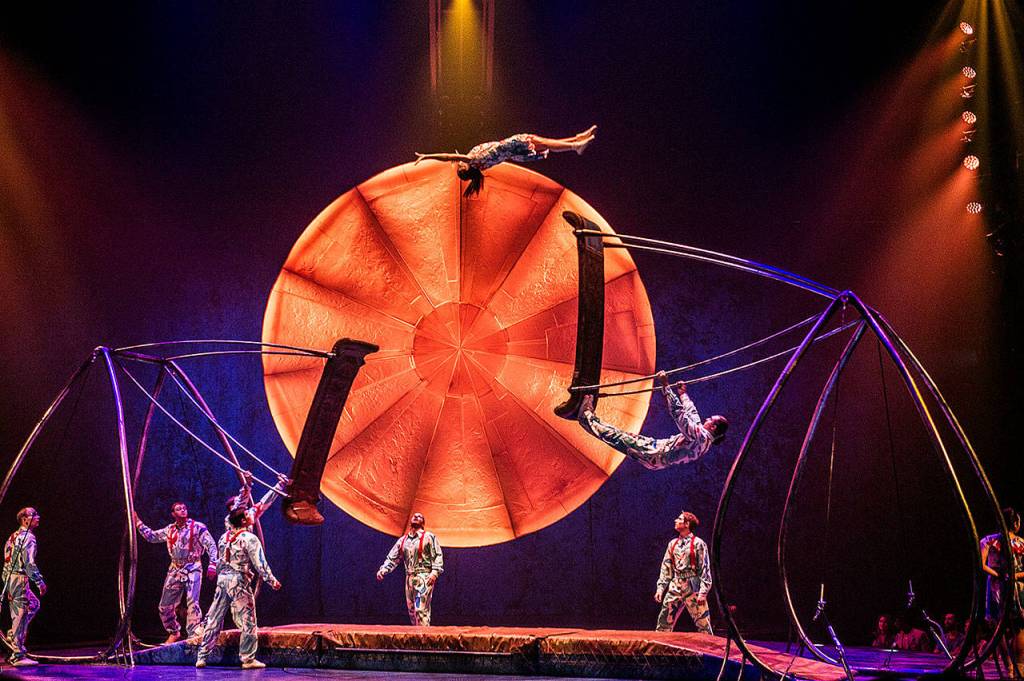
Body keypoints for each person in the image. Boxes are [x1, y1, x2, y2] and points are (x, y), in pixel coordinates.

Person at [578, 372, 729, 470]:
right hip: (656, 451)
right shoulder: (704, 441)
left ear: (713, 427)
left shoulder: (701, 437)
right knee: (620, 436)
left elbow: (679, 415)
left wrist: (666, 386)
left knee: (617, 437)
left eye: (710, 420)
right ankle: (589, 418)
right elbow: (692, 414)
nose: (706, 419)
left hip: (654, 453)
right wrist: (683, 394)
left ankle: (585, 417)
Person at [196, 508, 282, 669]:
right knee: (248, 619)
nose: (251, 515)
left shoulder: (224, 537)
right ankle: (248, 659)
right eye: (247, 514)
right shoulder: (249, 538)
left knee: (215, 617)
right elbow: (260, 563)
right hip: (238, 582)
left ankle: (202, 656)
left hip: (223, 580)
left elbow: (222, 561)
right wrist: (271, 580)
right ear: (243, 521)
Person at [414, 125, 597, 196]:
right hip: (511, 146)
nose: (458, 163)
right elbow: (449, 157)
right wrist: (427, 156)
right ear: (465, 167)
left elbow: (454, 159)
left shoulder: (477, 163)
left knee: (545, 142)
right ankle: (575, 146)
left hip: (511, 149)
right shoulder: (473, 159)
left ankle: (577, 139)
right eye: (459, 165)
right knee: (544, 143)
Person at [135, 502, 218, 644]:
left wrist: (213, 564)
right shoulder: (170, 530)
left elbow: (211, 545)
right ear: (173, 514)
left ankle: (193, 636)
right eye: (179, 509)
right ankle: (174, 631)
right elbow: (151, 537)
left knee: (192, 603)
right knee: (164, 606)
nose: (183, 510)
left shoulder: (198, 527)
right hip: (175, 569)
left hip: (193, 567)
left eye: (184, 508)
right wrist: (137, 522)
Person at [376, 512, 443, 626]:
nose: (416, 517)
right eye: (414, 516)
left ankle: (423, 636)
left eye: (419, 516)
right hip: (409, 578)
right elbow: (393, 557)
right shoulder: (403, 540)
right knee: (412, 611)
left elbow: (437, 555)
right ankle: (417, 635)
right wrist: (384, 569)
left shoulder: (428, 537)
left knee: (420, 609)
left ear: (423, 523)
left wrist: (434, 573)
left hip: (423, 577)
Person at [980, 507, 1024, 676]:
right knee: (1018, 627)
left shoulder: (988, 541)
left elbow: (982, 565)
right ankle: (1019, 667)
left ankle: (1010, 668)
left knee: (1000, 627)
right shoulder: (1021, 543)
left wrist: (999, 574)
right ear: (1015, 523)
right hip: (1014, 585)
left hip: (996, 585)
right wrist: (1014, 576)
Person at [655, 510, 713, 635]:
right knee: (664, 621)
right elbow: (666, 567)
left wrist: (703, 592)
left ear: (687, 524)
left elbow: (704, 568)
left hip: (692, 585)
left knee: (703, 623)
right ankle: (660, 646)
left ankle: (709, 646)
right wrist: (660, 588)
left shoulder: (698, 543)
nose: (676, 520)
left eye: (679, 519)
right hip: (676, 584)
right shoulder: (672, 544)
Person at [2, 508, 46, 666]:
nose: (37, 517)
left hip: (10, 577)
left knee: (33, 604)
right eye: (34, 515)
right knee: (20, 614)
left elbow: (6, 559)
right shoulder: (28, 537)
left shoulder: (13, 536)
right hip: (19, 578)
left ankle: (12, 634)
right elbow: (28, 563)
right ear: (24, 519)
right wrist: (39, 581)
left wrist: (7, 581)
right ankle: (17, 654)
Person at [225, 471, 291, 532]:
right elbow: (242, 500)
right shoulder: (229, 520)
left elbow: (262, 505)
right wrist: (247, 484)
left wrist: (280, 485)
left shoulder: (247, 515)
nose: (246, 508)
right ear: (232, 508)